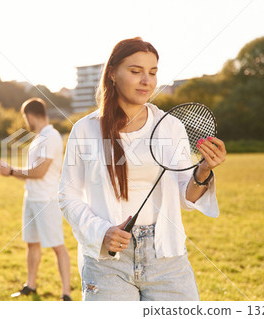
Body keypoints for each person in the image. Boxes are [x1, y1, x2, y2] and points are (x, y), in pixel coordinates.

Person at [58, 37, 226, 301]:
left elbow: (187, 196)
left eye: (153, 72)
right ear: (112, 74)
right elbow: (68, 197)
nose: (146, 80)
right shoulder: (85, 130)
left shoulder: (170, 127)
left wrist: (203, 171)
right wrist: (102, 232)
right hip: (107, 262)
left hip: (166, 257)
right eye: (136, 72)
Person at [0, 98, 72, 301]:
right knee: (31, 243)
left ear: (30, 115)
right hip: (31, 198)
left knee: (58, 246)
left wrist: (10, 171)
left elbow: (39, 172)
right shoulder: (39, 138)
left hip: (46, 201)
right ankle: (31, 285)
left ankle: (66, 293)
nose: (25, 121)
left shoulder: (52, 136)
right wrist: (10, 171)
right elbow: (31, 172)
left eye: (25, 117)